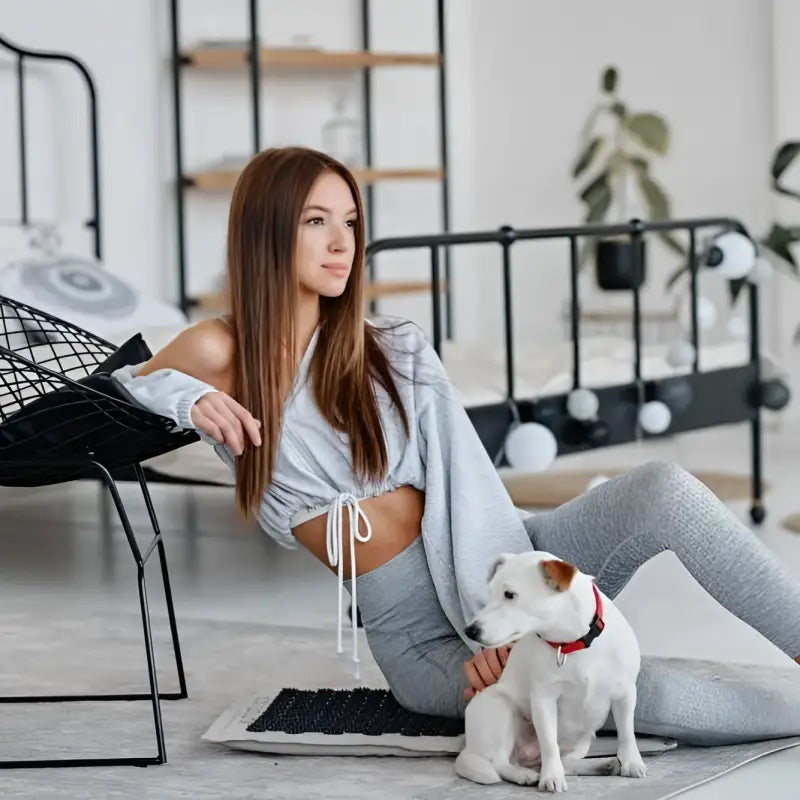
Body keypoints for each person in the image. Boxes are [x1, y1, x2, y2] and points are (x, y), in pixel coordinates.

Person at [114, 146, 800, 745]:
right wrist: (190, 397)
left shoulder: (394, 347)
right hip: (428, 647)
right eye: (316, 221)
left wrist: (509, 619)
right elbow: (112, 395)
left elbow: (472, 486)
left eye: (350, 222)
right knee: (618, 690)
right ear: (266, 232)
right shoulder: (218, 350)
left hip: (502, 572)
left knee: (665, 491)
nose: (341, 242)